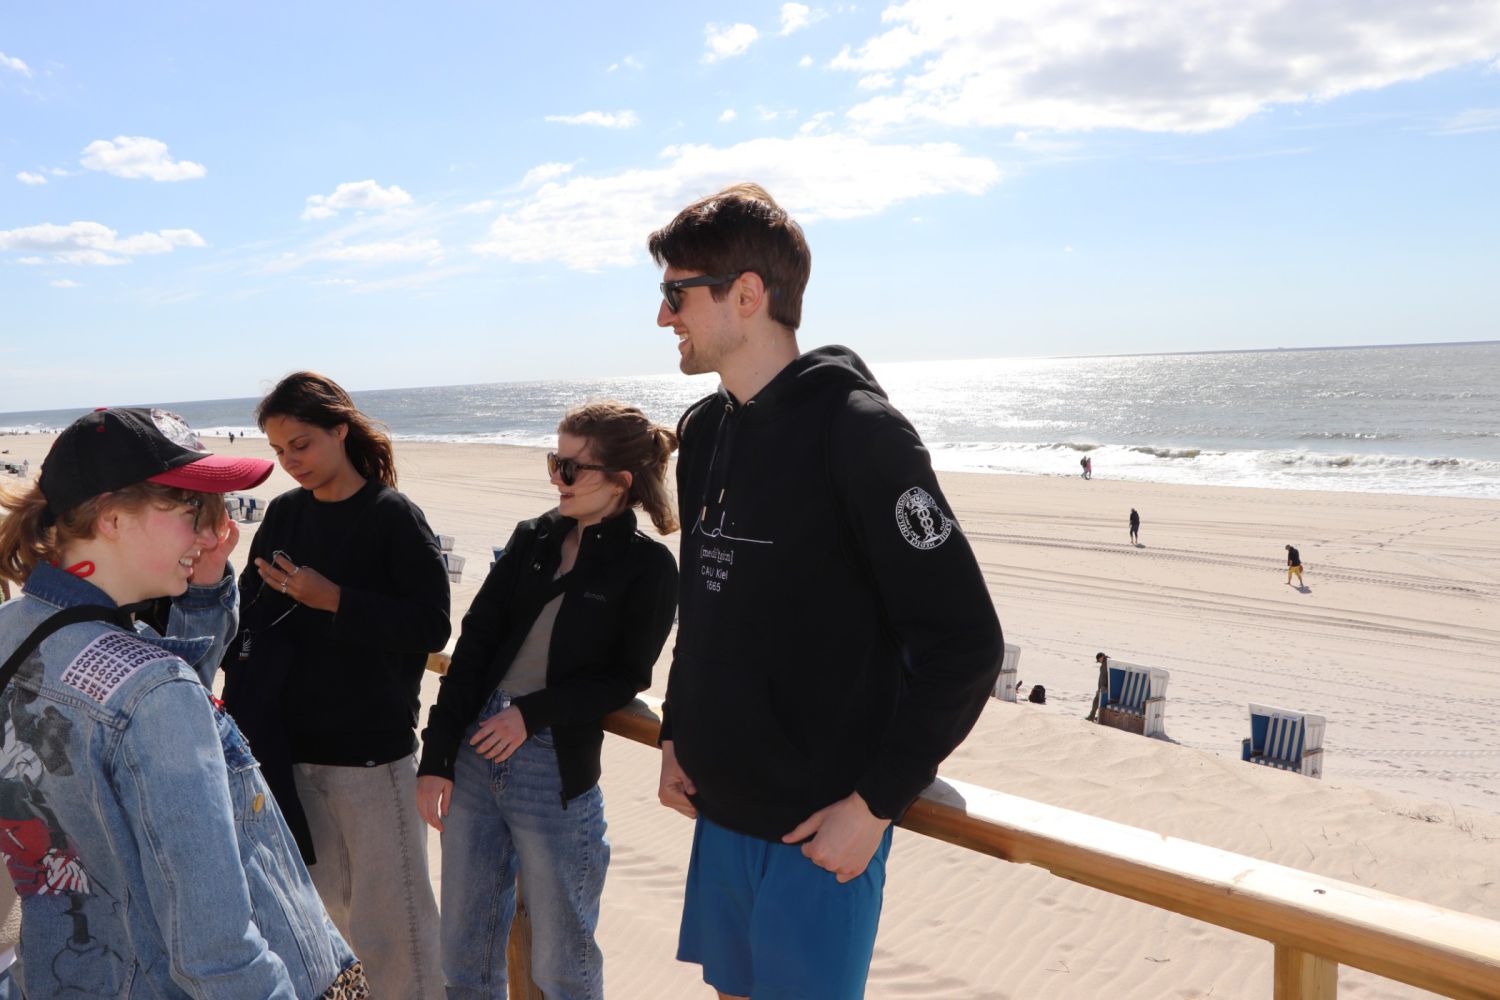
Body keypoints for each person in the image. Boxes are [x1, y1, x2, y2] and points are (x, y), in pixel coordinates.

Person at [650, 183, 1003, 1000]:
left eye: (677, 294)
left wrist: (876, 804)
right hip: (719, 808)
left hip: (821, 828)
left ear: (747, 295)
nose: (664, 317)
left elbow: (965, 644)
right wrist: (676, 730)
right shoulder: (704, 431)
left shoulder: (861, 433)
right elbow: (706, 606)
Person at [0, 407, 368, 998]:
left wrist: (205, 587)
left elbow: (141, 741)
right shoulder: (154, 691)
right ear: (112, 518)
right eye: (190, 511)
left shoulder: (15, 629)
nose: (209, 533)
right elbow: (219, 954)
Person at [416, 401, 679, 999]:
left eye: (571, 468)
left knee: (563, 966)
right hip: (474, 753)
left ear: (621, 481)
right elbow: (474, 648)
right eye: (554, 462)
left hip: (553, 769)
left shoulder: (649, 568)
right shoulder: (532, 537)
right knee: (463, 955)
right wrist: (438, 757)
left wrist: (531, 715)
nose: (556, 478)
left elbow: (626, 679)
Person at [222, 372, 449, 999]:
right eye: (279, 450)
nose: (290, 461)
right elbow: (249, 612)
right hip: (288, 755)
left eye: (301, 444)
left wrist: (335, 599)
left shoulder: (392, 516)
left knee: (399, 934)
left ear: (340, 430)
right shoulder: (285, 514)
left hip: (372, 759)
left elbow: (432, 624)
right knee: (327, 930)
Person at [1087, 651, 1110, 723]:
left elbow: (1104, 677)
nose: (1099, 662)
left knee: (1096, 701)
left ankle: (1092, 716)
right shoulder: (1107, 662)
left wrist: (1102, 687)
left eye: (1099, 660)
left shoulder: (1106, 663)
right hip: (1104, 687)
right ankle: (1097, 716)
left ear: (1101, 657)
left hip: (1104, 688)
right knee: (1099, 702)